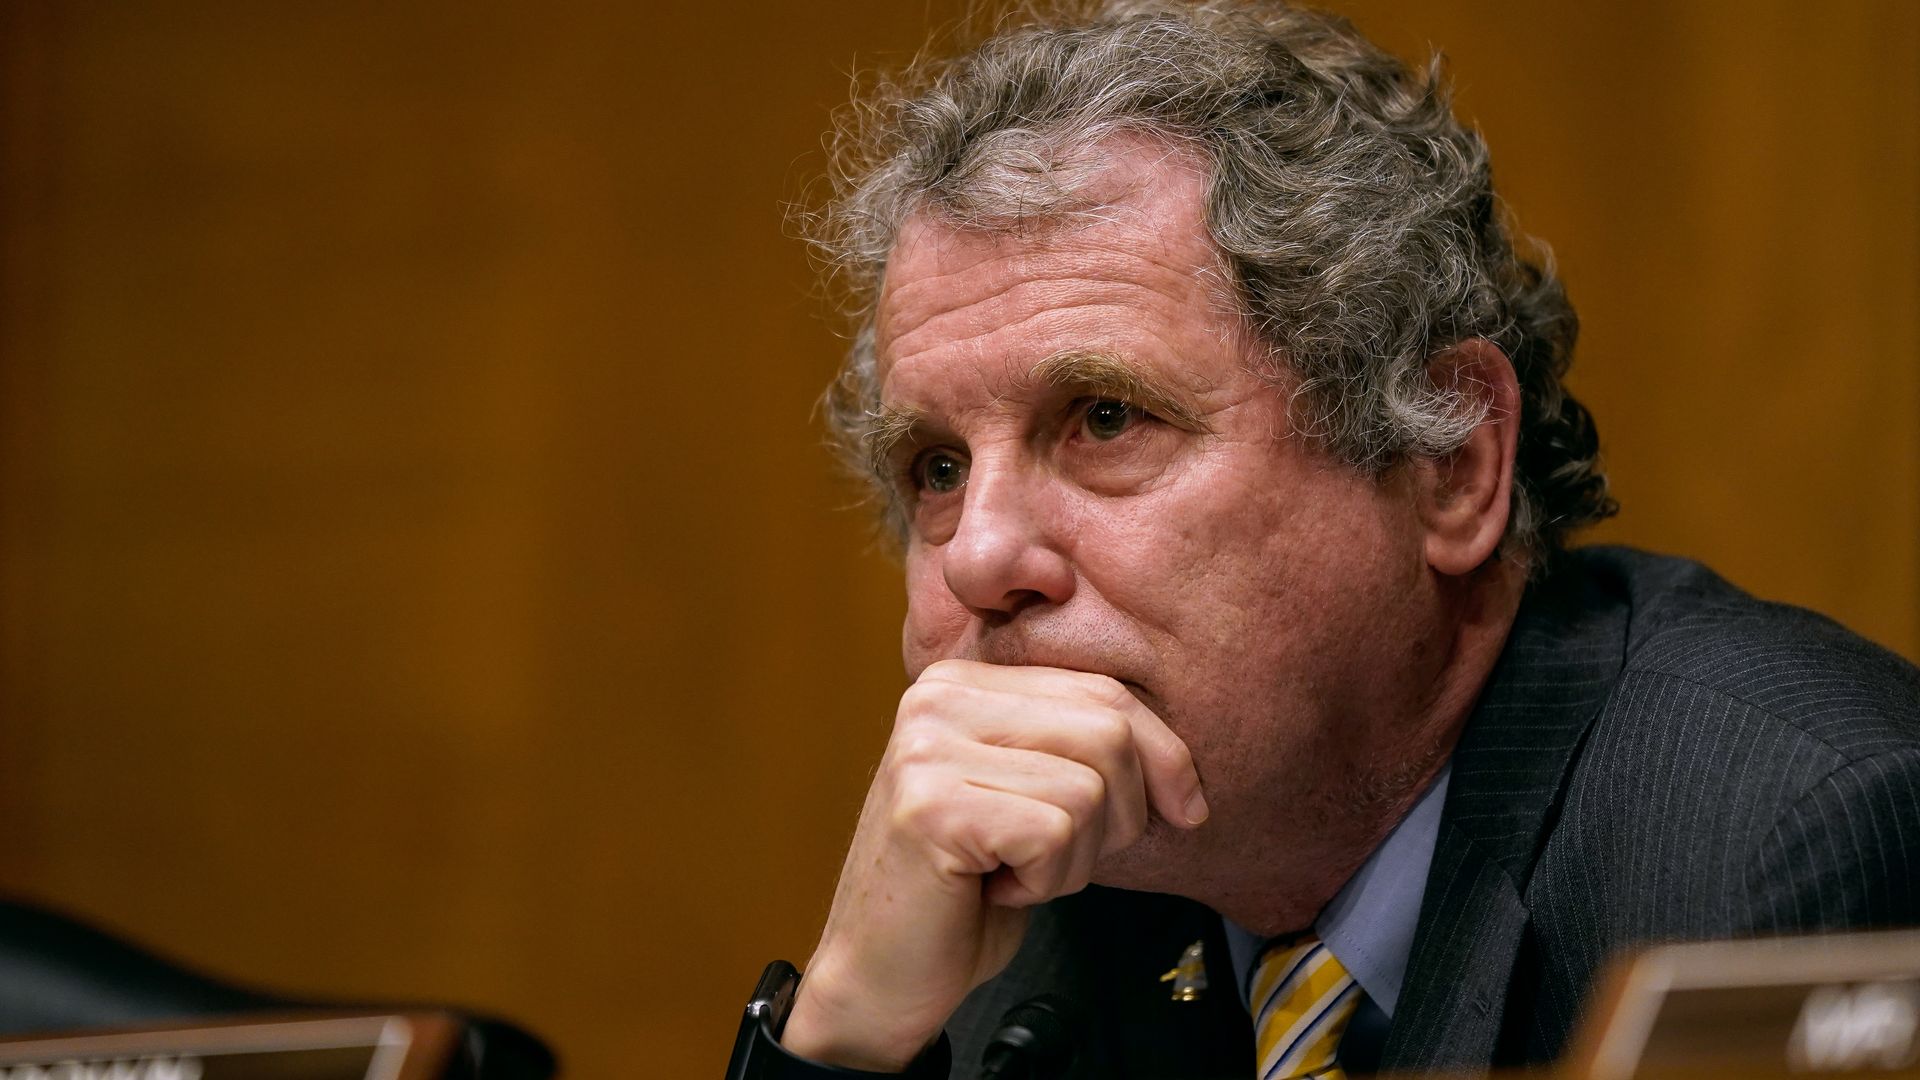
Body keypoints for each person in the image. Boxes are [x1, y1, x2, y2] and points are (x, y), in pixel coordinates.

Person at [734, 2, 1920, 1076]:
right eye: (937, 469)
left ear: (1449, 463)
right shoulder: (1056, 888)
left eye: (1105, 419)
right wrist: (846, 1041)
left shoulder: (1784, 841)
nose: (979, 559)